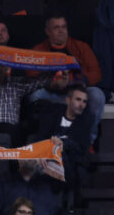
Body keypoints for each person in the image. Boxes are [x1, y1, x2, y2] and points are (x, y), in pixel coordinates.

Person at [30, 15, 106, 144]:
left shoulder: (81, 47)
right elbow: (31, 73)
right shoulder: (38, 49)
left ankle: (89, 142)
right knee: (34, 95)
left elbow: (96, 73)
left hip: (76, 93)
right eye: (56, 27)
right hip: (52, 92)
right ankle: (42, 141)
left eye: (64, 27)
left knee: (97, 95)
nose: (61, 30)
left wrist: (73, 82)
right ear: (48, 31)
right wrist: (52, 83)